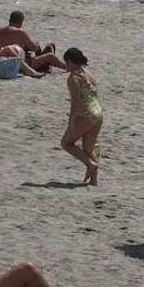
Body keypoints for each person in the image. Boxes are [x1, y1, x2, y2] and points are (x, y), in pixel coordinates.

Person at [61, 48, 103, 185]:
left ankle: (90, 164)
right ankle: (94, 180)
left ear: (71, 62)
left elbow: (76, 102)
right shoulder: (88, 73)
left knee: (66, 143)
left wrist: (71, 120)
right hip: (98, 113)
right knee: (88, 149)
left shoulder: (73, 78)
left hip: (86, 114)